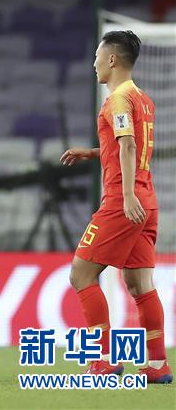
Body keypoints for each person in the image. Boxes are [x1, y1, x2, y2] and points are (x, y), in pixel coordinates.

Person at [61, 30, 171, 383]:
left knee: (81, 274)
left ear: (111, 59)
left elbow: (127, 146)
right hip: (147, 201)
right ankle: (157, 365)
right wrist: (93, 152)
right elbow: (128, 144)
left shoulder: (118, 100)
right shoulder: (143, 99)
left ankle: (104, 360)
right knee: (140, 284)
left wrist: (125, 196)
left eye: (97, 56)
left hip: (124, 202)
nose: (94, 63)